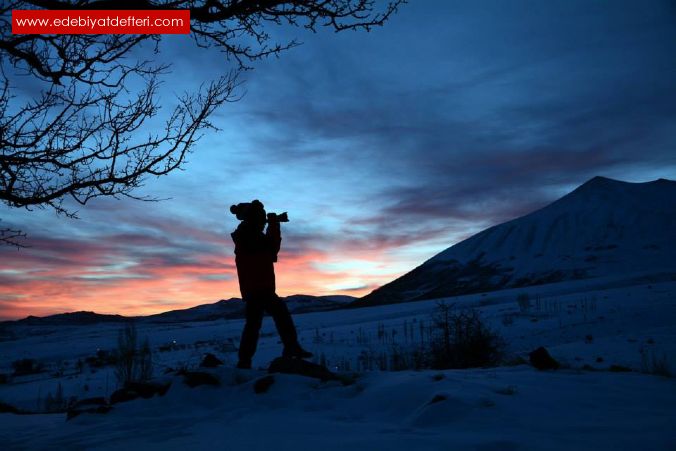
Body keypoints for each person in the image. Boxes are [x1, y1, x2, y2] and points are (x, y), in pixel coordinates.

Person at [230, 199, 312, 369]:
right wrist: (273, 225)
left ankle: (245, 361)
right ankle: (290, 348)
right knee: (277, 317)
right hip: (258, 287)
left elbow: (269, 251)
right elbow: (272, 249)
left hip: (257, 286)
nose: (262, 221)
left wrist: (272, 224)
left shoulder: (247, 234)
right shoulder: (248, 235)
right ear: (253, 218)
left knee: (255, 324)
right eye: (260, 218)